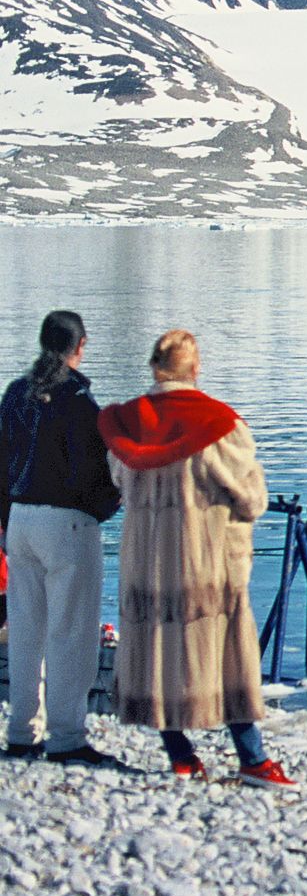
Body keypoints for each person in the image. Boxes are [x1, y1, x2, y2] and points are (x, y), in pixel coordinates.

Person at [97, 330, 296, 789]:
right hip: (205, 559)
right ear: (195, 369)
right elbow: (249, 496)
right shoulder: (218, 424)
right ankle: (252, 759)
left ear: (153, 366)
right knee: (226, 654)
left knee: (157, 650)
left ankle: (180, 754)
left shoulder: (126, 424)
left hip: (146, 557)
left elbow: (119, 481)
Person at [1, 311, 123, 765]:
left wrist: (5, 520)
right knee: (71, 634)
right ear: (81, 346)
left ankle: (20, 732)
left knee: (26, 631)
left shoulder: (16, 393)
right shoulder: (78, 400)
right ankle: (67, 737)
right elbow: (94, 471)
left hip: (20, 519)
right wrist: (102, 510)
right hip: (67, 523)